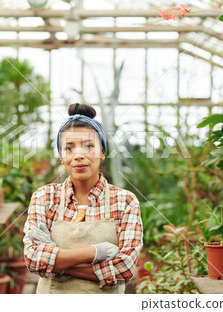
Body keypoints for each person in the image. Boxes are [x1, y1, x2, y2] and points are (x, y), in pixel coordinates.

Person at [23, 103, 143, 294]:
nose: (78, 155)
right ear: (62, 156)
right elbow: (33, 259)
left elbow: (125, 269)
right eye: (69, 148)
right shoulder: (44, 197)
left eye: (88, 146)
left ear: (102, 152)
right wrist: (97, 252)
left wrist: (56, 265)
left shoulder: (125, 201)